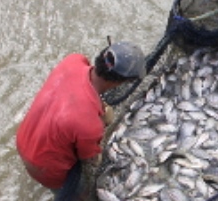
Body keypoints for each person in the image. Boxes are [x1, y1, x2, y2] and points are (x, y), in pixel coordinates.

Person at [16, 41, 146, 190]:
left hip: (23, 137)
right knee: (79, 194)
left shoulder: (73, 60)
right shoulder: (90, 126)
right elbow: (90, 160)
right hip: (42, 168)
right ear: (119, 82)